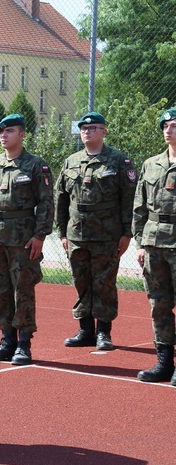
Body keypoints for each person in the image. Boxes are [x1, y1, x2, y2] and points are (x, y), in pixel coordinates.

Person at [0, 114, 54, 366]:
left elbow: (45, 203)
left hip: (23, 239)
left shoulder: (34, 165)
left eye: (9, 131)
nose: (3, 135)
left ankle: (24, 344)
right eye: (1, 131)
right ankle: (6, 340)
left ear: (22, 135)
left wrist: (40, 235)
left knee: (23, 290)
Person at [56, 112, 137, 350]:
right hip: (76, 234)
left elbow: (129, 199)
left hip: (107, 235)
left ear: (104, 132)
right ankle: (84, 331)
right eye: (83, 128)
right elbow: (61, 199)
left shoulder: (119, 161)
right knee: (81, 281)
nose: (87, 132)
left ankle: (103, 332)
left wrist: (127, 233)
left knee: (104, 283)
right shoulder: (71, 162)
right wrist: (62, 233)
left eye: (93, 128)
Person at [132, 107, 176, 384]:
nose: (169, 130)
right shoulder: (151, 164)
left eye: (174, 125)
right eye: (165, 126)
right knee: (158, 304)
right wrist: (139, 243)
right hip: (154, 242)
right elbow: (139, 207)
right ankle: (164, 362)